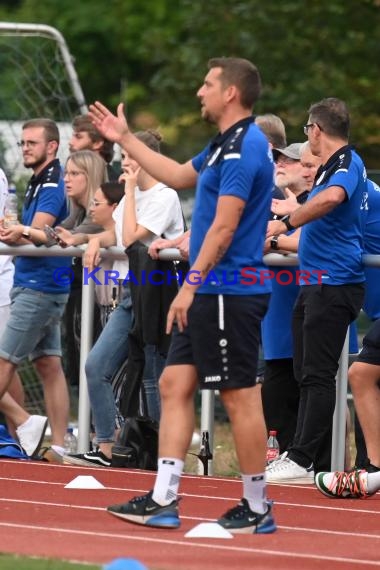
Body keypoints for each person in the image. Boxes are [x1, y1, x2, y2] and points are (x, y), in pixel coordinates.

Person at [89, 57, 277, 534]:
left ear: (231, 92)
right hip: (214, 289)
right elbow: (176, 174)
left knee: (239, 398)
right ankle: (163, 498)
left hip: (228, 290)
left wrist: (188, 287)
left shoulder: (243, 149)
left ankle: (257, 507)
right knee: (173, 385)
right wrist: (124, 138)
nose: (200, 91)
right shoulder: (222, 145)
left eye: (208, 83)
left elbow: (225, 226)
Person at [63, 130, 184, 468]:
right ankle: (107, 445)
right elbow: (115, 234)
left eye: (130, 156)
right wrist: (91, 241)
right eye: (123, 156)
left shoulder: (165, 196)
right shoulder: (136, 197)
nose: (124, 164)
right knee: (96, 365)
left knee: (152, 376)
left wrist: (129, 191)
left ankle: (163, 455)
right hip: (132, 291)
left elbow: (131, 238)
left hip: (159, 290)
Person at [265, 98, 367, 484]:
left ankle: (306, 457)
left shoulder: (344, 163)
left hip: (333, 283)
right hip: (314, 282)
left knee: (318, 375)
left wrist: (284, 223)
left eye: (307, 129)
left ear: (316, 129)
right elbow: (317, 198)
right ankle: (302, 455)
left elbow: (332, 199)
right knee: (304, 372)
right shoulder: (328, 169)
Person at [0, 118, 70, 458]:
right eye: (22, 143)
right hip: (40, 283)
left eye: (32, 143)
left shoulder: (52, 184)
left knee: (4, 363)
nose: (25, 148)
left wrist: (20, 231)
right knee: (48, 365)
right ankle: (57, 444)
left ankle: (24, 424)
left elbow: (39, 230)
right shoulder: (39, 180)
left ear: (52, 146)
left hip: (38, 286)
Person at [315, 178, 380, 498]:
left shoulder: (353, 189)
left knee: (361, 373)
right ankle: (371, 468)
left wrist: (285, 222)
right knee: (364, 374)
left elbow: (328, 239)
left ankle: (371, 469)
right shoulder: (356, 190)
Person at [261, 141, 321, 454]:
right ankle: (287, 457)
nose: (281, 165)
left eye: (291, 161)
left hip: (318, 307)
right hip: (278, 317)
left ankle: (332, 463)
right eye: (278, 159)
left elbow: (313, 241)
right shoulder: (273, 201)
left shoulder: (322, 200)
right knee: (277, 393)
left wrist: (273, 242)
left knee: (318, 389)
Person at [69, 114, 119, 181]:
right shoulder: (70, 177)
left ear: (97, 143)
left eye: (78, 137)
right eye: (73, 136)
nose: (71, 142)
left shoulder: (112, 183)